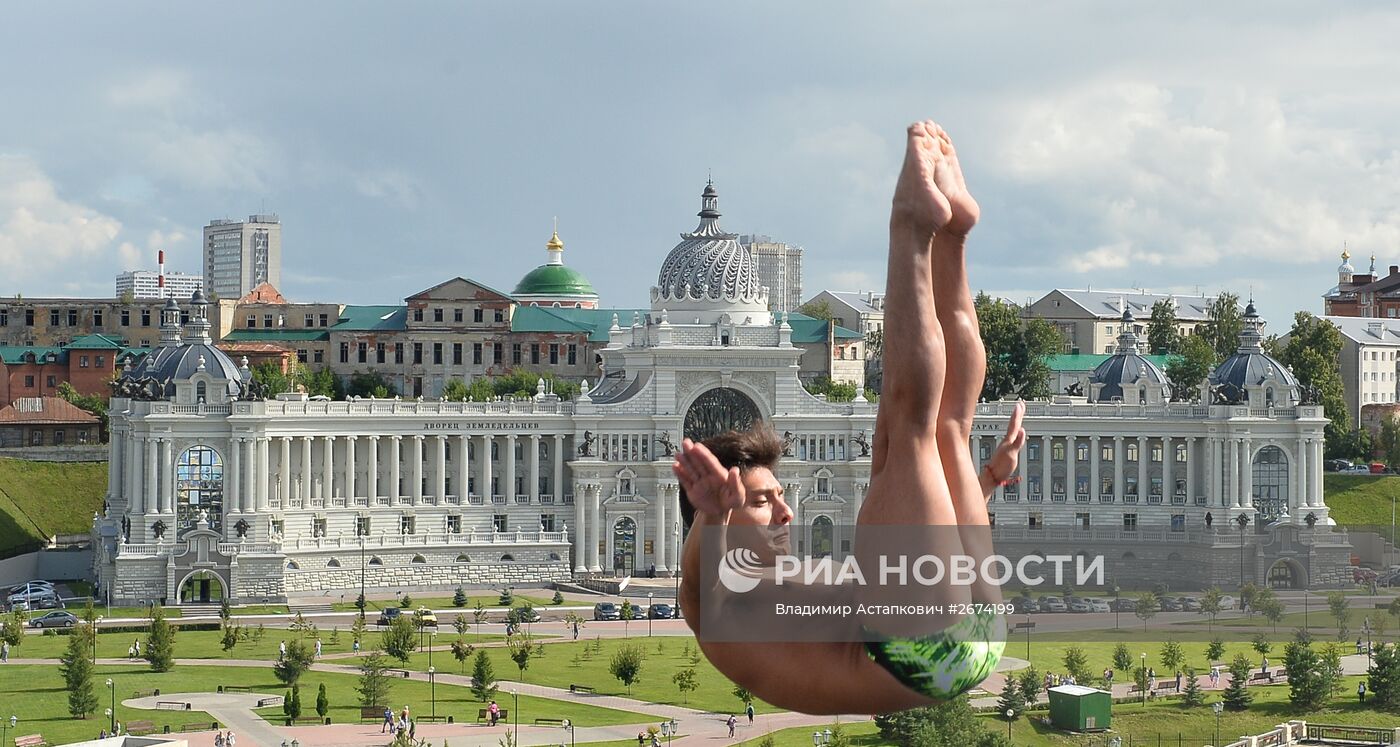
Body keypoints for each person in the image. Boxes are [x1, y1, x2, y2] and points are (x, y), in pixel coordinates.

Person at [674, 121, 1016, 714]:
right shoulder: (716, 606)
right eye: (762, 501)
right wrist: (714, 516)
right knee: (909, 430)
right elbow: (699, 578)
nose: (785, 512)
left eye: (779, 496)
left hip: (960, 630)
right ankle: (910, 225)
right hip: (922, 649)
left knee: (944, 429)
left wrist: (985, 481)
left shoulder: (779, 583)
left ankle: (952, 238)